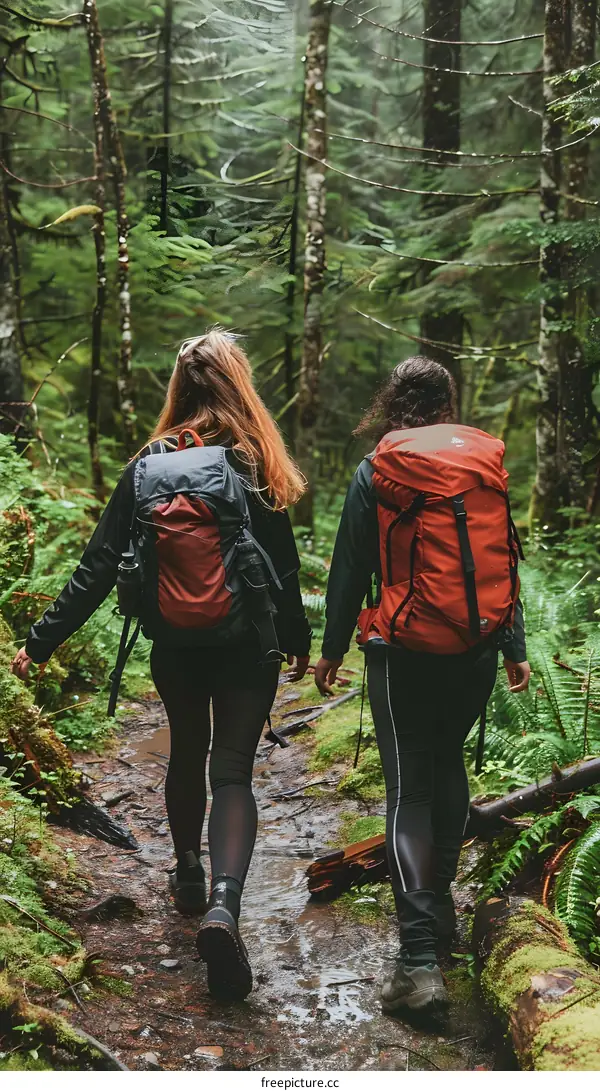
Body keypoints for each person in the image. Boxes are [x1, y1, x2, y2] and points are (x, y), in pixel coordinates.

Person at [11, 329, 312, 1002]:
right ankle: (225, 905)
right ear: (239, 385)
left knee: (187, 752)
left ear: (180, 389)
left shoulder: (151, 461)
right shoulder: (253, 458)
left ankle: (186, 871)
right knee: (232, 769)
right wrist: (298, 637)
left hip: (176, 641)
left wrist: (39, 642)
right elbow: (281, 567)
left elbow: (96, 566)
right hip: (245, 644)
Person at [314, 356, 530, 1018]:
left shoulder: (378, 469)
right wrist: (513, 646)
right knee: (448, 763)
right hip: (477, 648)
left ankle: (416, 966)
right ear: (448, 404)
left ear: (392, 402)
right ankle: (441, 923)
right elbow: (500, 555)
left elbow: (351, 567)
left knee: (409, 786)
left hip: (403, 651)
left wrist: (329, 650)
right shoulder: (478, 461)